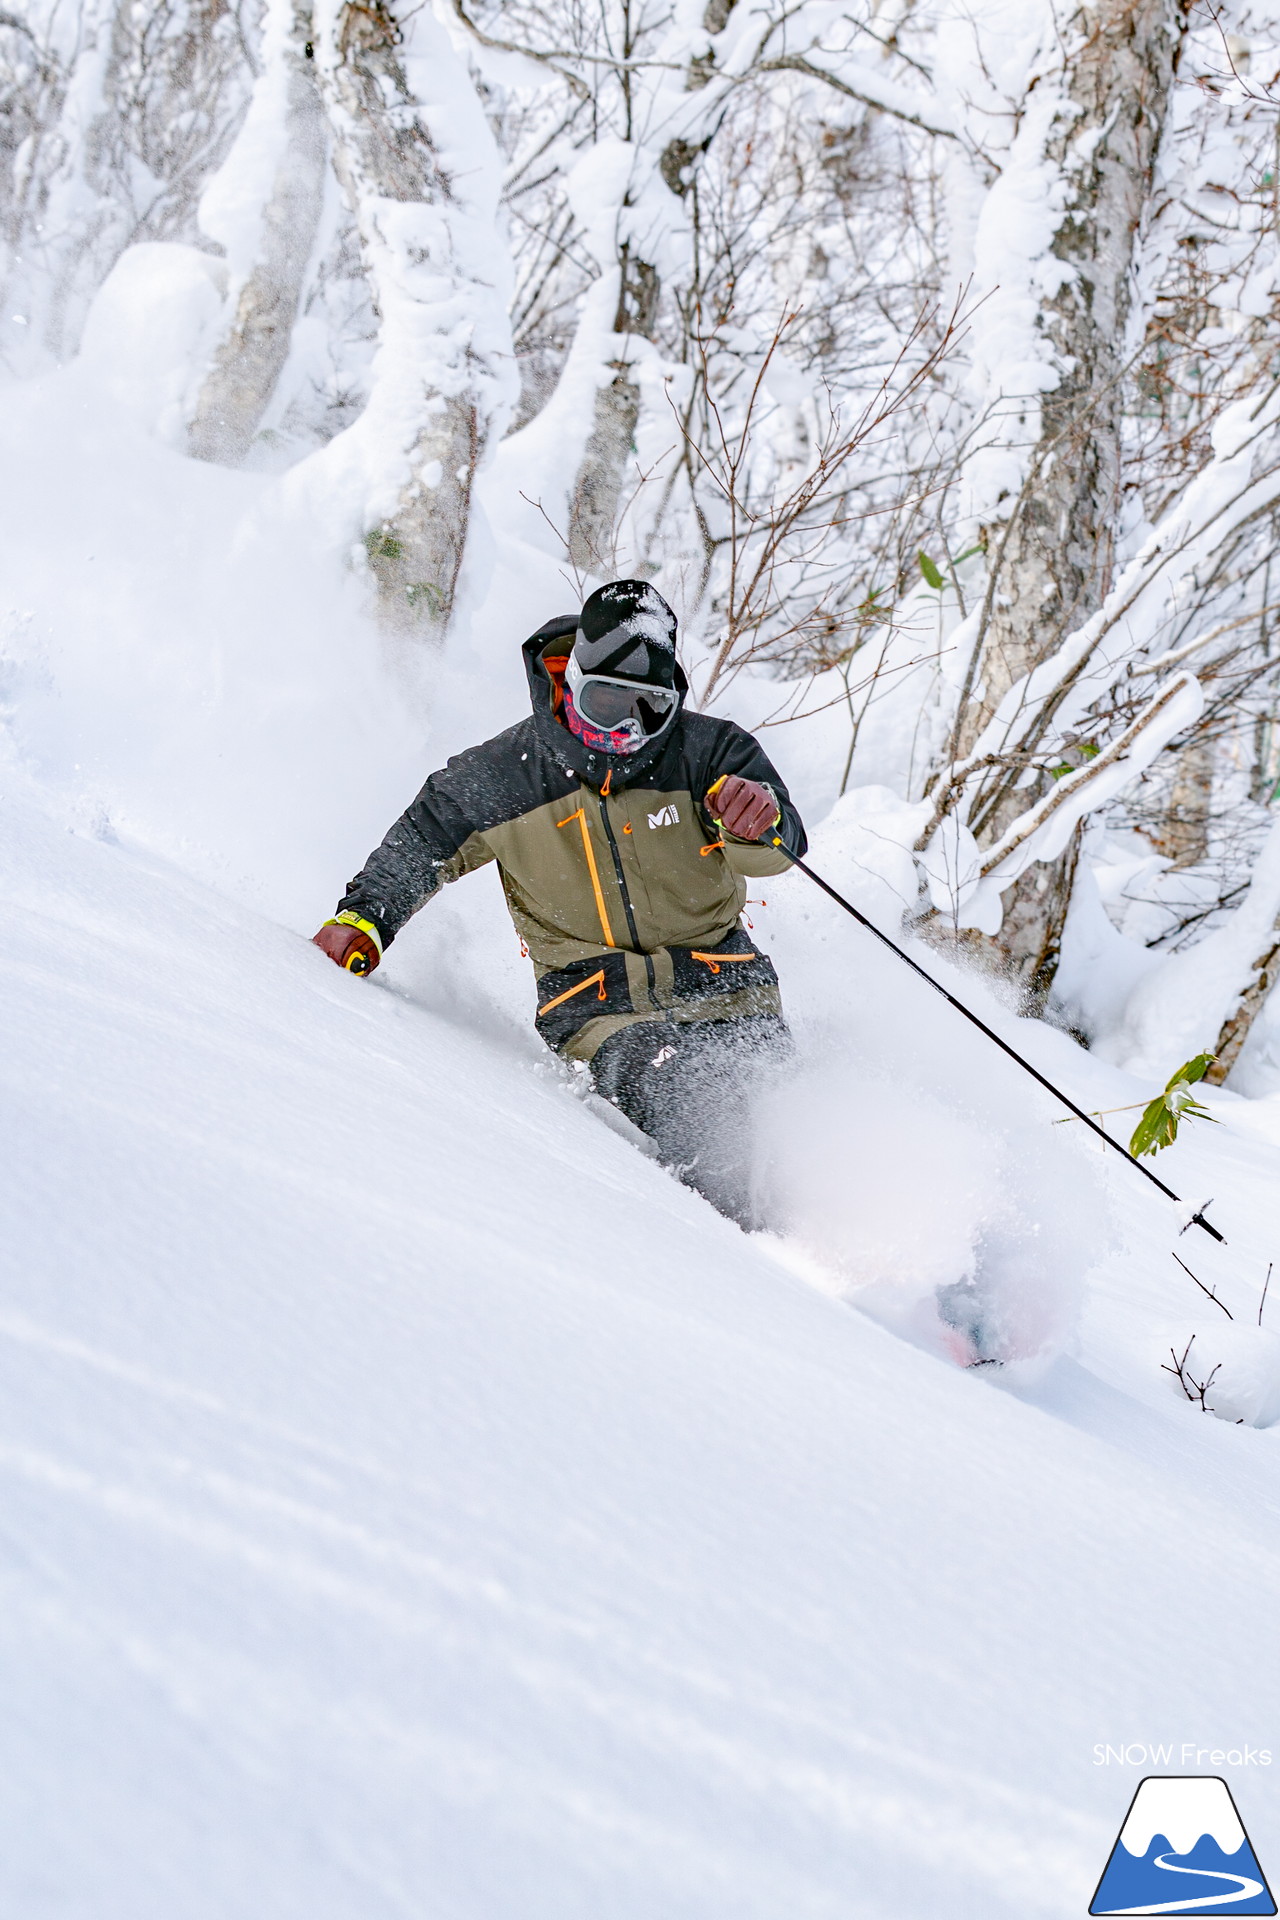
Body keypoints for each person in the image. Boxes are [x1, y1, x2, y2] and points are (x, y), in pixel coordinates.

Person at [313, 579, 807, 1224]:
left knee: (796, 1129)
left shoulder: (711, 754)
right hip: (602, 1008)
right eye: (607, 702)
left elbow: (779, 847)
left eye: (649, 709)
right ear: (571, 680)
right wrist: (364, 920)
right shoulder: (502, 776)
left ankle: (899, 1284)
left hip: (729, 988)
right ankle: (770, 1271)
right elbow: (420, 844)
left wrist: (757, 821)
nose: (627, 729)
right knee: (703, 1111)